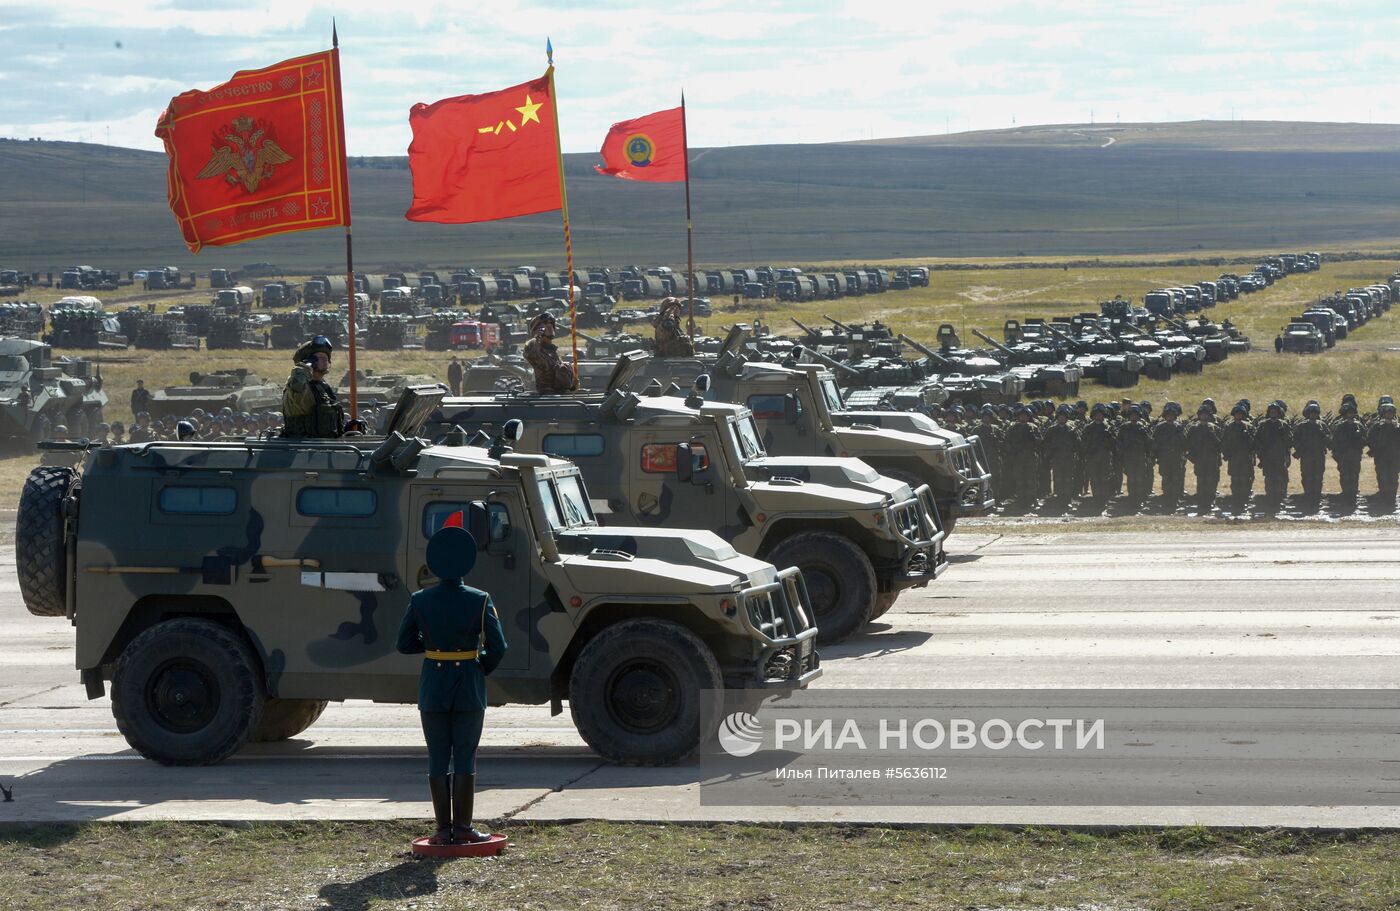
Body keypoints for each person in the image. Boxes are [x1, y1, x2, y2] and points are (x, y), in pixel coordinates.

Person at [397, 524, 507, 845]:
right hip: (469, 686)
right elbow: (498, 646)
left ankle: (442, 830)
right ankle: (463, 828)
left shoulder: (420, 600)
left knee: (436, 755)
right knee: (464, 755)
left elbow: (404, 643)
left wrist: (432, 648)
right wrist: (477, 666)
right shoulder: (480, 599)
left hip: (433, 685)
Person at [281, 336, 345, 438]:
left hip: (324, 448)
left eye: (326, 357)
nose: (325, 360)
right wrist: (305, 367)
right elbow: (297, 387)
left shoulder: (322, 387)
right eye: (320, 357)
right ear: (309, 360)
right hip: (304, 449)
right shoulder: (299, 387)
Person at [522, 313, 577, 395]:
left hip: (559, 396)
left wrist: (573, 385)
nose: (549, 326)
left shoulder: (552, 352)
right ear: (537, 328)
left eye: (551, 323)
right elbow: (530, 353)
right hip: (545, 397)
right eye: (545, 323)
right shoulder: (534, 346)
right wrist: (537, 336)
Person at [1254, 400, 1293, 510]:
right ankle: (1270, 499)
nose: (1273, 414)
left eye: (1275, 412)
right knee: (1269, 479)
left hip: (1279, 457)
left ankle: (1279, 500)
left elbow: (1289, 441)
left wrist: (1285, 452)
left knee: (1280, 479)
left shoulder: (1283, 425)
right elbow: (1257, 440)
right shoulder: (1263, 425)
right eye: (1271, 412)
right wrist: (1261, 454)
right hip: (1267, 458)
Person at [1185, 404, 1223, 513]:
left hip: (1212, 459)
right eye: (1202, 415)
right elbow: (1188, 443)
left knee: (1211, 482)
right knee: (1201, 481)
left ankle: (1210, 501)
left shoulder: (1215, 428)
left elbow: (1220, 444)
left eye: (1206, 415)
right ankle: (1201, 502)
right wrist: (1192, 457)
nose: (1204, 417)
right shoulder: (1194, 428)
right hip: (1200, 459)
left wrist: (1212, 435)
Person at [1151, 401, 1188, 510]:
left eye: (1172, 415)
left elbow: (1184, 443)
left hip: (1176, 458)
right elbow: (1155, 442)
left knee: (1176, 480)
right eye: (1168, 415)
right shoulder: (1160, 427)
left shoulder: (1179, 427)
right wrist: (1155, 455)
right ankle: (1167, 499)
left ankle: (1174, 501)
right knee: (1166, 479)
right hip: (1164, 458)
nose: (1170, 417)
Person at [1078, 404, 1117, 507]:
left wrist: (1110, 437)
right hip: (1092, 457)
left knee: (1105, 479)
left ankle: (1104, 500)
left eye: (1100, 415)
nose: (1099, 417)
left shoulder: (1108, 427)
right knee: (1094, 479)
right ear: (1093, 415)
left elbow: (1115, 443)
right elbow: (1082, 442)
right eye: (1097, 415)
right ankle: (1096, 499)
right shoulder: (1088, 428)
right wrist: (1089, 449)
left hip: (1105, 457)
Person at [1292, 401, 1329, 506]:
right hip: (1306, 455)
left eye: (1315, 413)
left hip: (1318, 455)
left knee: (1318, 476)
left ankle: (1316, 496)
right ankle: (1308, 495)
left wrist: (1324, 439)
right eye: (1311, 413)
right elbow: (1295, 439)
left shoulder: (1322, 425)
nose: (1313, 415)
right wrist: (1300, 449)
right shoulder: (1302, 426)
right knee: (1307, 476)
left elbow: (1329, 438)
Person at [1330, 399, 1365, 508]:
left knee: (1354, 475)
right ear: (1345, 414)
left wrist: (1359, 445)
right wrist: (1337, 453)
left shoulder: (1359, 425)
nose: (1351, 414)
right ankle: (1346, 494)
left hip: (1355, 455)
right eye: (1348, 413)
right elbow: (1334, 441)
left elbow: (1365, 438)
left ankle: (1353, 495)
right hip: (1344, 455)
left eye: (1352, 412)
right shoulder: (1340, 426)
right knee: (1345, 475)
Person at [1041, 404, 1079, 505]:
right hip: (1056, 458)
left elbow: (1078, 444)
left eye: (1064, 417)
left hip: (1068, 458)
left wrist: (1072, 440)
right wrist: (1052, 449)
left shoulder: (1071, 430)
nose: (1062, 418)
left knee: (1068, 478)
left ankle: (1067, 498)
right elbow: (1045, 443)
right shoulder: (1051, 430)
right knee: (1057, 478)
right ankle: (1059, 497)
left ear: (1067, 418)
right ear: (1057, 418)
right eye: (1060, 417)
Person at [1118, 405, 1153, 505]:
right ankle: (1132, 497)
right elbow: (1119, 441)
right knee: (1131, 478)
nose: (1134, 417)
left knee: (1140, 478)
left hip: (1140, 457)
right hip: (1129, 458)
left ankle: (1139, 498)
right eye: (1132, 415)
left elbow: (1148, 442)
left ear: (1138, 416)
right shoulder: (1124, 427)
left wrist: (1148, 455)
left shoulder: (1142, 427)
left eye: (1136, 415)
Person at [1367, 399, 1400, 507]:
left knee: (1393, 479)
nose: (1389, 415)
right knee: (1383, 477)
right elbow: (1370, 439)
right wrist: (1375, 449)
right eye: (1387, 413)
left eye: (1391, 413)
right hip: (1381, 458)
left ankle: (1391, 499)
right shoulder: (1377, 426)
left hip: (1395, 458)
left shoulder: (1397, 427)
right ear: (1382, 413)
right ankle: (1384, 497)